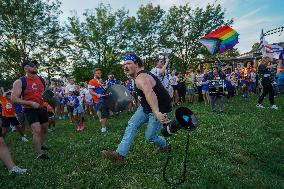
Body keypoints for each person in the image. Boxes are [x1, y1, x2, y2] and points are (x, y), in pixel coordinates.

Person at [101, 54, 171, 166]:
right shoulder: (135, 77)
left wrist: (157, 112)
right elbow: (144, 95)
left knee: (150, 137)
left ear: (137, 64)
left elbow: (149, 93)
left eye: (128, 63)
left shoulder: (141, 78)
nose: (125, 66)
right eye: (124, 64)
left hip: (159, 108)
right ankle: (120, 155)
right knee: (132, 124)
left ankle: (164, 146)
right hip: (145, 107)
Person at [11, 60, 50, 159]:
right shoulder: (20, 82)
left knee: (45, 128)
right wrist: (31, 103)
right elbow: (14, 98)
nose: (35, 67)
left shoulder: (41, 79)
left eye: (36, 65)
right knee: (37, 130)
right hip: (30, 109)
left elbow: (44, 93)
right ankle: (40, 153)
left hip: (42, 107)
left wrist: (48, 102)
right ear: (26, 68)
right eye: (33, 66)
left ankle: (41, 144)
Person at [88, 68, 109, 133]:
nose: (100, 74)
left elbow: (104, 89)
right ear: (94, 74)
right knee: (104, 114)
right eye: (98, 73)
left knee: (105, 113)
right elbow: (91, 91)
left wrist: (106, 87)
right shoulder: (92, 81)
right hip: (99, 100)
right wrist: (97, 94)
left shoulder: (100, 81)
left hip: (104, 98)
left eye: (100, 73)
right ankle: (103, 129)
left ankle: (103, 125)